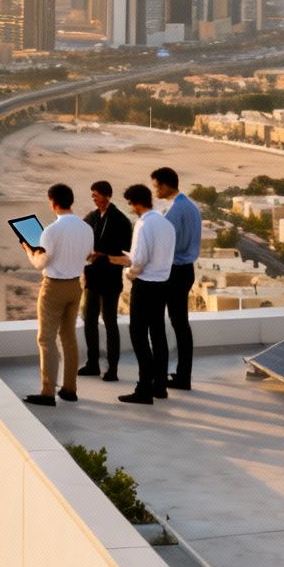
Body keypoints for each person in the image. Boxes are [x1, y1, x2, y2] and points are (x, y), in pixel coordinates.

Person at [23, 182, 91, 407]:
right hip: (75, 285)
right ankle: (70, 388)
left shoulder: (50, 231)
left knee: (46, 339)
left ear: (53, 201)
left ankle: (47, 390)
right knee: (69, 337)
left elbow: (41, 262)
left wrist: (29, 251)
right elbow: (87, 255)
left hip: (53, 287)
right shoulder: (86, 228)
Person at [110, 183, 175, 405]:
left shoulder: (143, 224)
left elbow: (139, 260)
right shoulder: (166, 224)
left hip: (145, 285)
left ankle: (144, 387)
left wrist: (129, 272)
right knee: (158, 335)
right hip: (162, 284)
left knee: (138, 335)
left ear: (135, 203)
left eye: (130, 204)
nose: (131, 209)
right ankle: (160, 386)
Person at [151, 167, 201, 391]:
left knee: (176, 324)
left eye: (156, 186)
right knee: (181, 324)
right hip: (187, 269)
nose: (155, 191)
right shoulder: (191, 206)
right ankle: (183, 374)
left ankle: (180, 377)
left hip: (175, 270)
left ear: (165, 185)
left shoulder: (175, 211)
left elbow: (167, 243)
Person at [78, 180, 130, 381]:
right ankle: (93, 364)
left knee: (110, 322)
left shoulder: (121, 220)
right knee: (89, 320)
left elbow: (126, 251)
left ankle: (113, 369)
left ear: (106, 196)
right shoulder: (91, 217)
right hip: (92, 278)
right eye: (92, 195)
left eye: (96, 195)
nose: (93, 198)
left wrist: (102, 254)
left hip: (110, 279)